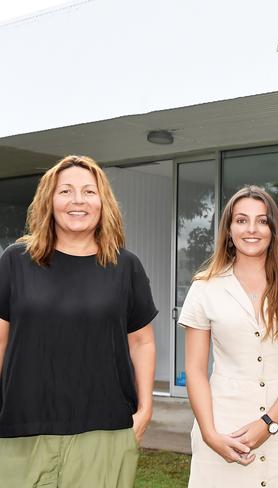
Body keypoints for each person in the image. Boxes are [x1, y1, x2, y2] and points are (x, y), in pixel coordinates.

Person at [0, 155, 157, 487]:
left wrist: (144, 410)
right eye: (65, 191)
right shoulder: (15, 261)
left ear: (103, 202)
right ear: (49, 200)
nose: (77, 201)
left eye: (88, 191)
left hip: (104, 432)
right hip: (21, 430)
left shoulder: (126, 266)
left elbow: (142, 342)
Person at [180, 185, 278, 487]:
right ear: (229, 229)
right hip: (223, 430)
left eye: (262, 221)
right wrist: (209, 434)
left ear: (274, 230)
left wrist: (268, 422)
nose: (252, 229)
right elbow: (195, 370)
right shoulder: (204, 287)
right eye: (242, 220)